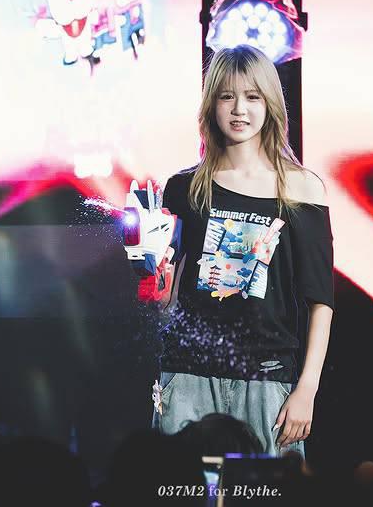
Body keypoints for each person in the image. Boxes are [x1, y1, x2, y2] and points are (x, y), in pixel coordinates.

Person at [142, 44, 335, 457]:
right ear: (211, 105)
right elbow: (166, 297)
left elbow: (321, 300)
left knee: (268, 496)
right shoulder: (184, 188)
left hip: (268, 379)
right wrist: (152, 282)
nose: (239, 110)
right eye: (227, 96)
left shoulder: (301, 189)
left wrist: (307, 389)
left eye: (252, 97)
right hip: (188, 375)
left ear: (270, 104)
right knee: (182, 492)